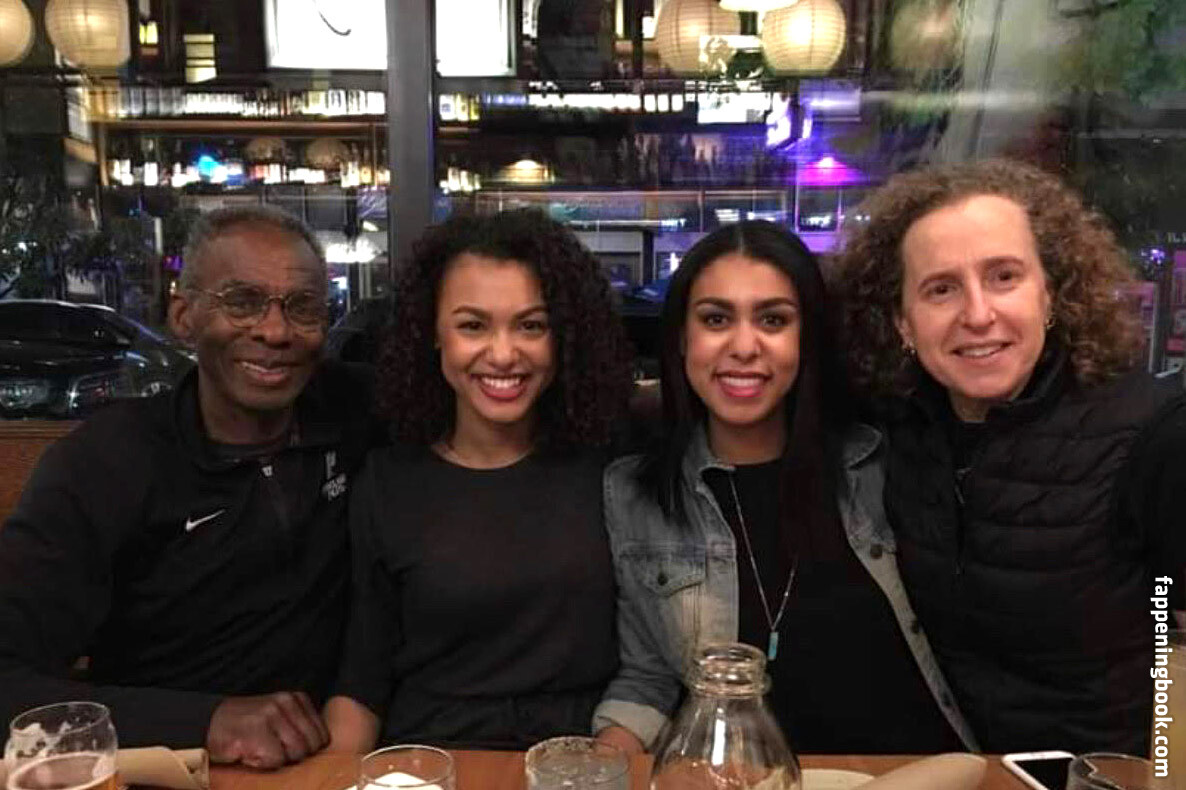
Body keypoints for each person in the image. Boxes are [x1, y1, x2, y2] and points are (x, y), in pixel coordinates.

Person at [0, 206, 375, 768]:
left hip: (330, 760)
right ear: (184, 316)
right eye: (242, 301)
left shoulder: (356, 411)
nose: (275, 331)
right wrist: (204, 722)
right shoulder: (106, 463)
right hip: (168, 767)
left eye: (302, 307)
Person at [836, 159, 1186, 754]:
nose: (977, 314)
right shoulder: (893, 428)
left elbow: (1172, 642)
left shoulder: (1153, 436)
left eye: (1004, 277)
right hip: (952, 769)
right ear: (903, 323)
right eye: (941, 289)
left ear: (1049, 295)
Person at [593, 221, 978, 755]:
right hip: (747, 777)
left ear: (806, 338)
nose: (744, 347)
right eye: (715, 319)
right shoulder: (636, 494)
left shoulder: (881, 460)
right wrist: (599, 767)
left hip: (920, 770)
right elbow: (647, 679)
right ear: (682, 338)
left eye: (773, 319)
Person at [325, 209, 633, 751]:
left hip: (581, 761)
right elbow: (363, 678)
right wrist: (336, 779)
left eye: (531, 326)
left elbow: (652, 666)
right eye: (473, 326)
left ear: (564, 337)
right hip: (430, 760)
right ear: (432, 334)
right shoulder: (387, 482)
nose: (504, 354)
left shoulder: (615, 469)